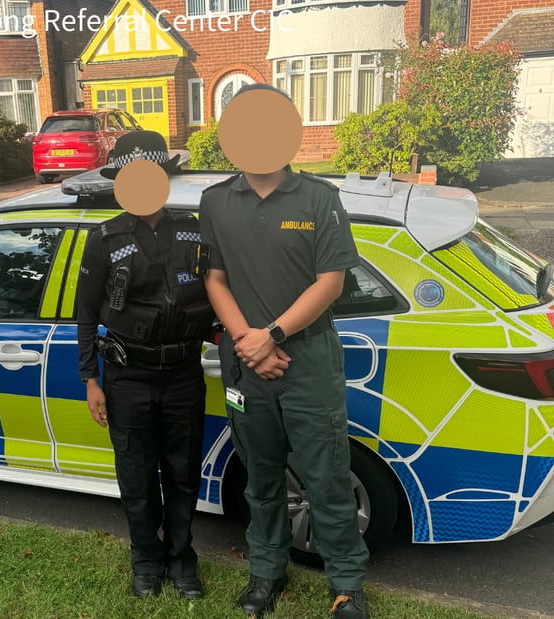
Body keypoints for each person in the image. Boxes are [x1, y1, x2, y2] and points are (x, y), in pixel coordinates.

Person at [199, 83, 369, 618]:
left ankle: (347, 586)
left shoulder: (319, 197)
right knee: (261, 478)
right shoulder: (215, 200)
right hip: (247, 365)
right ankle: (266, 572)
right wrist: (249, 344)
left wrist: (270, 336)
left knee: (327, 478)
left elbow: (331, 282)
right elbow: (215, 279)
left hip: (308, 360)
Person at [76, 130, 214, 601]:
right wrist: (90, 378)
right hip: (127, 376)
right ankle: (146, 562)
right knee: (136, 477)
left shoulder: (194, 230)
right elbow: (85, 313)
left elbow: (218, 291)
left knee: (183, 473)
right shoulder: (104, 238)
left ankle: (182, 560)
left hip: (183, 375)